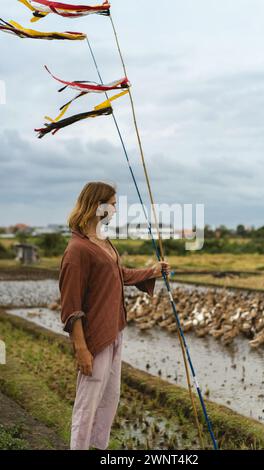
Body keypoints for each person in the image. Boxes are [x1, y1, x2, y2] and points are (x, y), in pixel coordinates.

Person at [59, 181, 170, 450]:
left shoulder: (103, 241)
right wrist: (82, 349)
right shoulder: (78, 250)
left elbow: (118, 276)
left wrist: (152, 271)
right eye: (113, 204)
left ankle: (99, 448)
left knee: (109, 399)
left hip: (114, 330)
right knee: (88, 404)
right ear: (97, 206)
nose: (116, 210)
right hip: (95, 337)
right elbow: (71, 306)